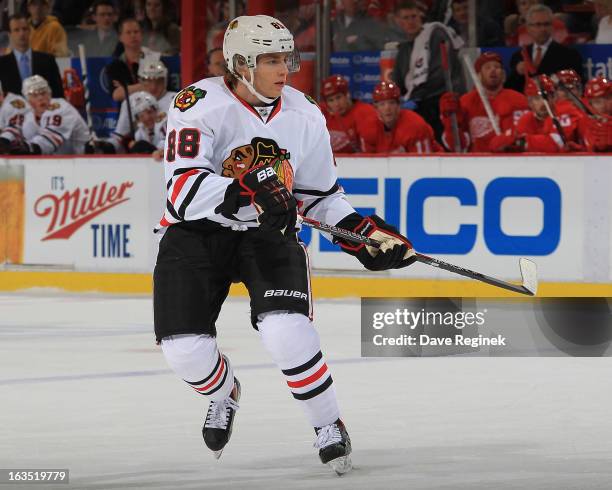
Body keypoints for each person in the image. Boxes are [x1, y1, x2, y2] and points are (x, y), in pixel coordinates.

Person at [153, 15, 416, 474]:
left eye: (286, 58)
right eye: (270, 60)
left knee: (286, 331)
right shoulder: (196, 104)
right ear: (238, 64)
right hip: (196, 232)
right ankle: (223, 393)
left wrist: (363, 233)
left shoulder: (304, 112)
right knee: (184, 350)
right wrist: (245, 190)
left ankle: (328, 423)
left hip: (266, 235)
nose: (284, 70)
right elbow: (181, 189)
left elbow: (320, 197)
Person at [391, 0, 464, 141]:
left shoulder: (435, 35)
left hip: (440, 102)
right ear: (398, 22)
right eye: (406, 18)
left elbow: (441, 74)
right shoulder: (404, 49)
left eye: (414, 16)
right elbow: (397, 80)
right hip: (419, 103)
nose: (411, 21)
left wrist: (416, 97)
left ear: (420, 17)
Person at [439, 52, 529, 152]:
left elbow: (526, 135)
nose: (493, 70)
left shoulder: (518, 99)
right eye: (487, 67)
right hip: (477, 163)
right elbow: (457, 146)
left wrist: (511, 141)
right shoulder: (466, 102)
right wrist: (450, 122)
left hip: (511, 161)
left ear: (503, 74)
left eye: (497, 67)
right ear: (478, 75)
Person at [2, 75, 90, 155]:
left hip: (83, 160)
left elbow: (49, 141)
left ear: (50, 94)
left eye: (43, 93)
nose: (40, 98)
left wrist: (28, 148)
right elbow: (14, 131)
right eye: (35, 95)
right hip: (54, 163)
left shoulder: (61, 107)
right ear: (27, 99)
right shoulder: (27, 116)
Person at [505, 4, 583, 93]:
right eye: (538, 25)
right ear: (528, 28)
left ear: (552, 27)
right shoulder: (519, 56)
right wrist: (517, 72)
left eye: (546, 24)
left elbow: (578, 87)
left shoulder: (569, 55)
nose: (543, 29)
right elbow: (510, 89)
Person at [108, 57, 175, 152]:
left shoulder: (177, 100)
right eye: (148, 80)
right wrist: (107, 146)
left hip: (168, 155)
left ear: (165, 81)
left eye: (158, 81)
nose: (153, 86)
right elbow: (119, 137)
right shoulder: (131, 101)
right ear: (140, 81)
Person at [361, 80, 440, 153]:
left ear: (399, 106)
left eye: (392, 103)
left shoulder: (414, 125)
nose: (387, 108)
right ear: (376, 108)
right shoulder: (369, 127)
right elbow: (369, 163)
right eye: (382, 104)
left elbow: (424, 163)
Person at [0, 14, 63, 98]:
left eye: (24, 29)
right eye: (16, 30)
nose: (21, 33)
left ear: (30, 31)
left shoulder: (48, 60)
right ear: (10, 34)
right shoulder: (2, 64)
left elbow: (58, 94)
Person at [319, 74, 378, 154]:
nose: (336, 104)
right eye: (331, 100)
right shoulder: (322, 113)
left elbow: (370, 153)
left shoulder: (365, 112)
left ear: (347, 94)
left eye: (338, 97)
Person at [106, 18, 159, 102]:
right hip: (127, 111)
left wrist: (126, 89)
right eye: (128, 32)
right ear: (120, 37)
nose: (133, 35)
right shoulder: (115, 66)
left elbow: (158, 89)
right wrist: (145, 86)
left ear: (141, 35)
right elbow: (117, 95)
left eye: (136, 32)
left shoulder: (155, 60)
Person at [127, 90, 166, 159]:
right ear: (138, 119)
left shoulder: (164, 125)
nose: (147, 118)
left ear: (156, 110)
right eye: (141, 116)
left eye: (149, 112)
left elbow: (165, 144)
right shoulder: (139, 133)